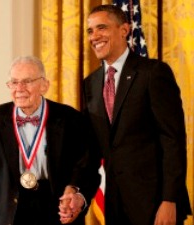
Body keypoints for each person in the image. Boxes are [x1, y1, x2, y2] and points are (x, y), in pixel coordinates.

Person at [83, 4, 191, 225]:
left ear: (124, 30)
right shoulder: (90, 83)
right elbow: (93, 146)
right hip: (112, 204)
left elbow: (173, 141)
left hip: (154, 205)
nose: (95, 36)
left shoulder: (153, 73)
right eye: (90, 31)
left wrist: (170, 200)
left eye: (102, 28)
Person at [0, 56, 100, 225]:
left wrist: (75, 192)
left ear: (44, 85)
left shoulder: (71, 118)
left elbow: (87, 167)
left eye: (27, 81)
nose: (19, 89)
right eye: (14, 82)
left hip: (56, 208)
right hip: (12, 213)